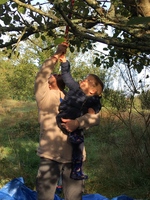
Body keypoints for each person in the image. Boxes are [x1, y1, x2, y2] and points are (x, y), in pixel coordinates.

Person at [34, 43, 101, 200]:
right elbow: (41, 75)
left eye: (56, 75)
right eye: (53, 74)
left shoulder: (75, 97)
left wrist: (77, 123)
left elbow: (96, 118)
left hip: (74, 159)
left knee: (74, 197)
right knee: (45, 197)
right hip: (50, 156)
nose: (54, 74)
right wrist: (56, 56)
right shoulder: (44, 96)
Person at [56, 54, 104, 180]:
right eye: (85, 78)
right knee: (76, 141)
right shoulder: (75, 88)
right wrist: (64, 62)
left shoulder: (93, 100)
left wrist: (94, 110)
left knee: (78, 146)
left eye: (88, 81)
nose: (83, 80)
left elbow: (98, 106)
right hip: (63, 116)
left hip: (76, 124)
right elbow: (67, 76)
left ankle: (76, 171)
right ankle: (66, 174)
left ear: (92, 91)